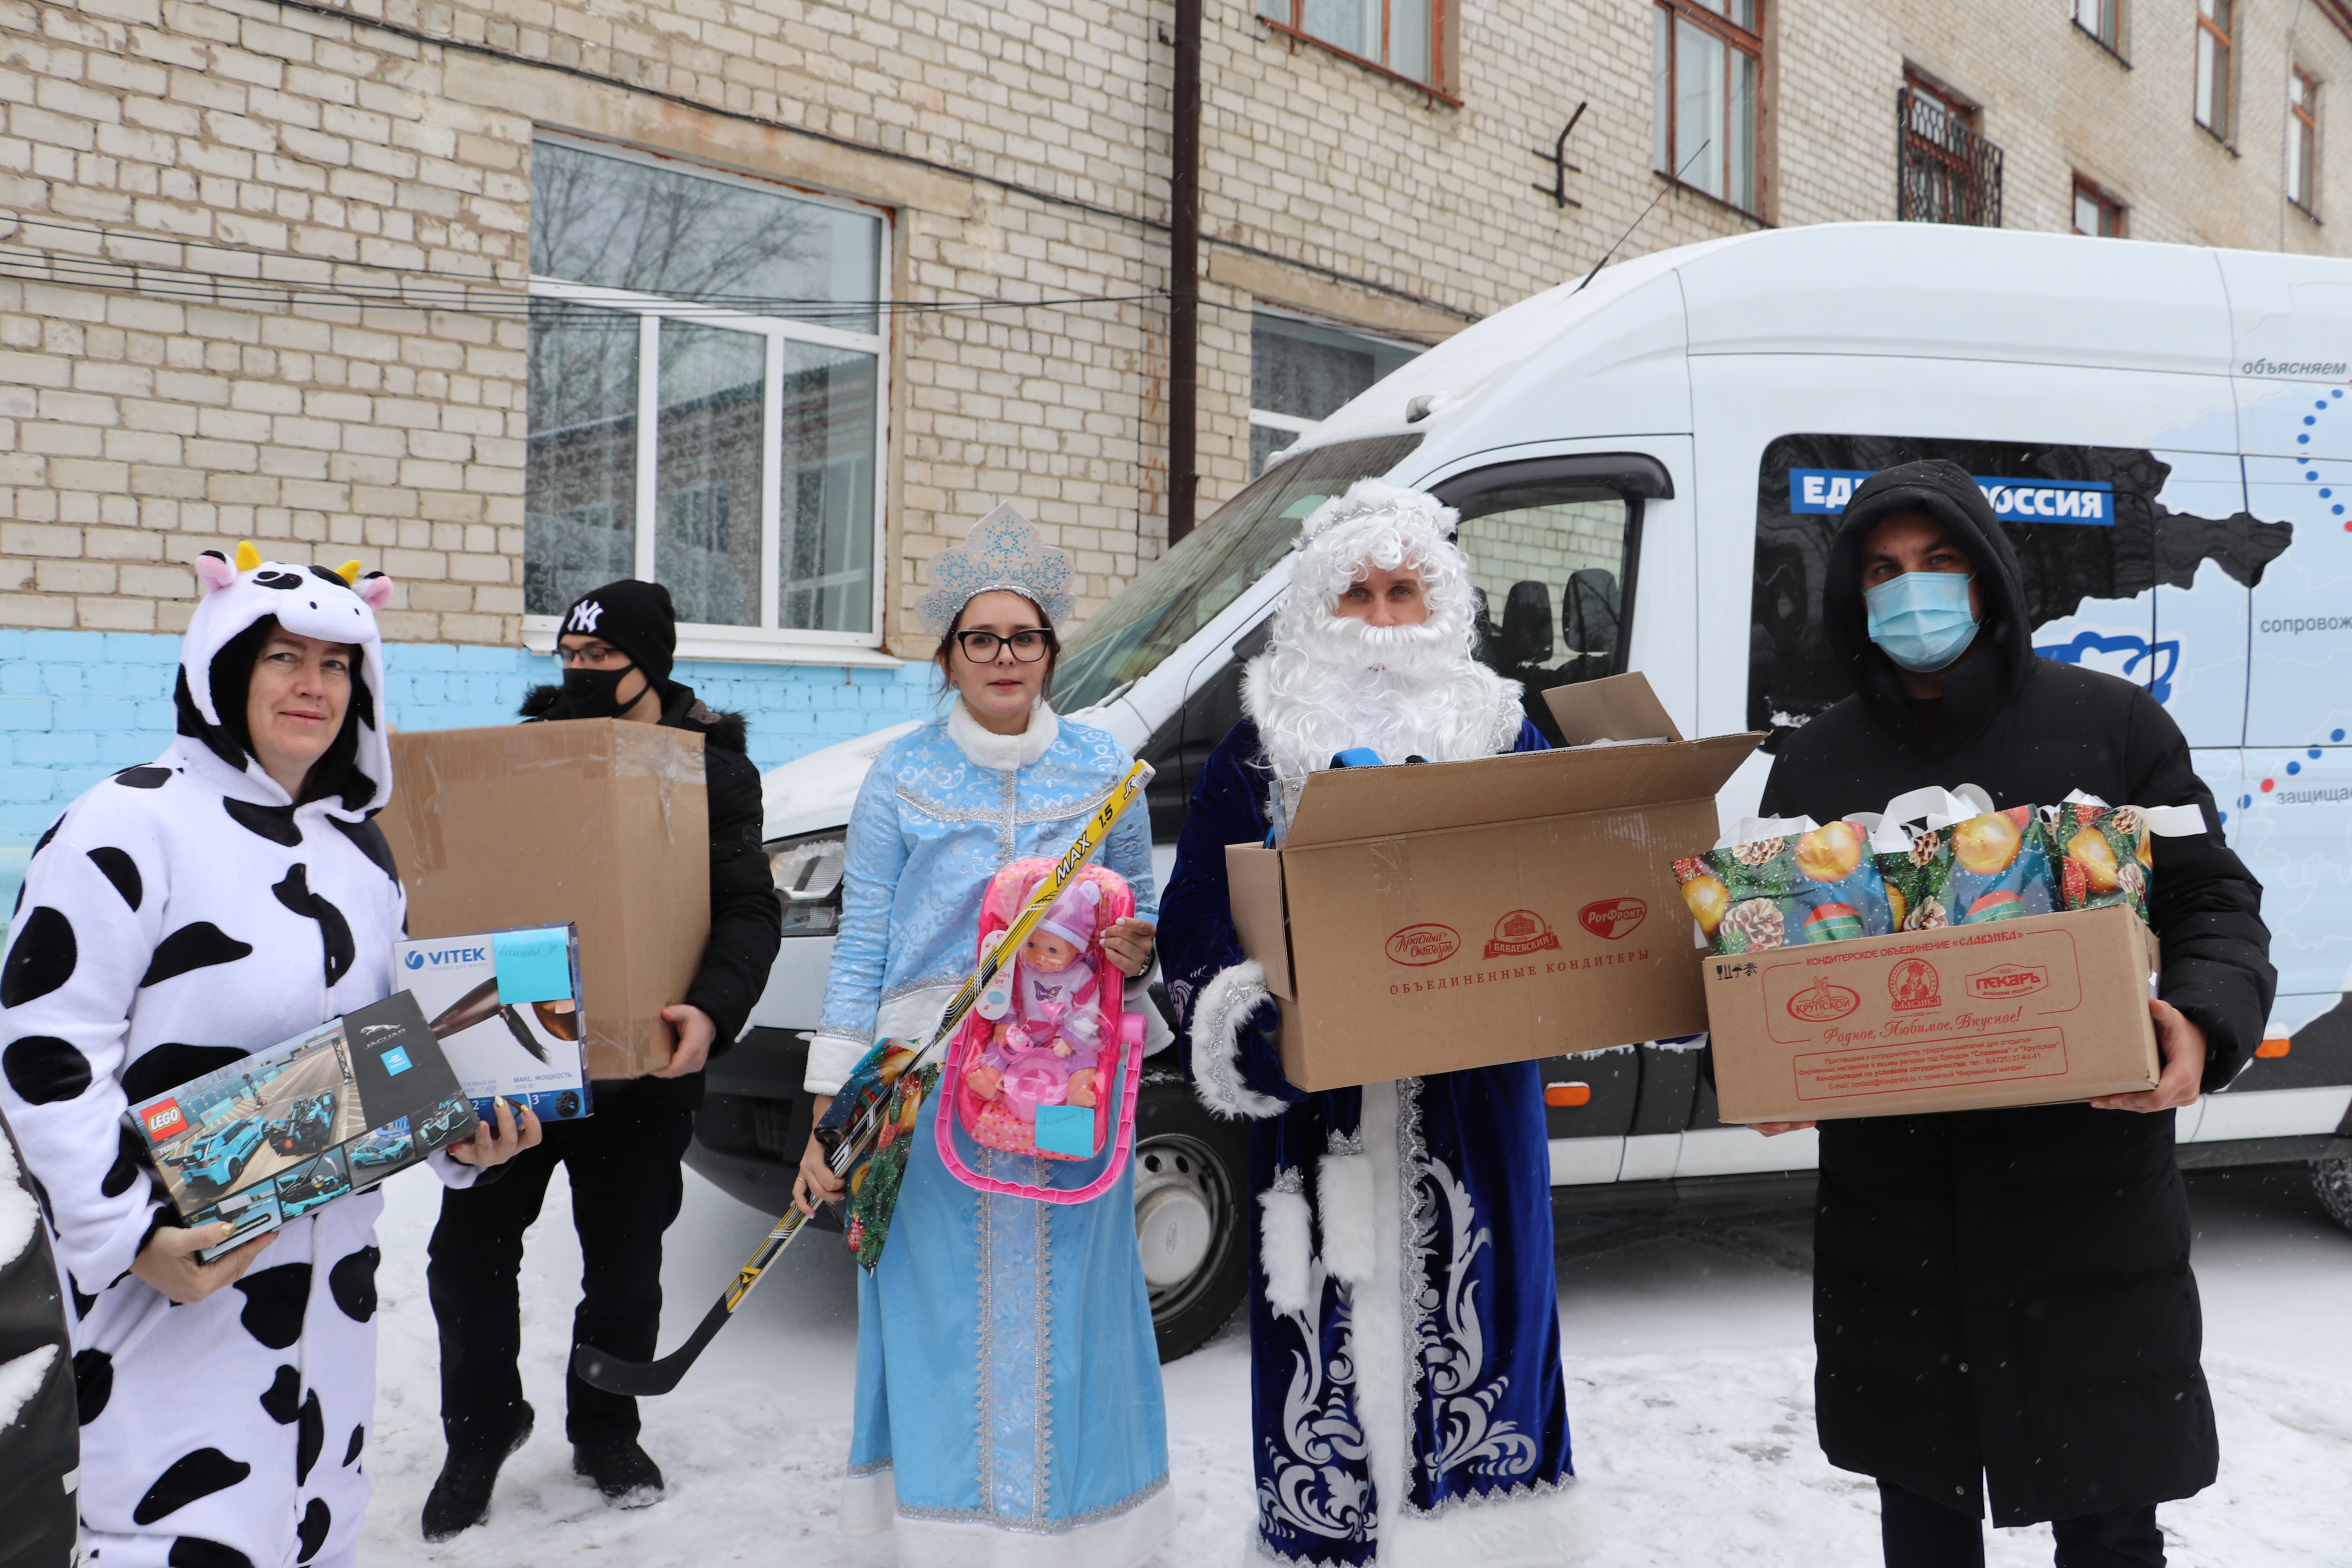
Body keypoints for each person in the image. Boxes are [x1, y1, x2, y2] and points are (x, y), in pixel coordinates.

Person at [1754, 459, 2276, 1567]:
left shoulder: (2112, 724)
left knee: (2109, 1510)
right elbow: (1765, 954)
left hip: (2085, 1193)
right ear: (1854, 594)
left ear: (1991, 577)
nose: (1913, 593)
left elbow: (2212, 899)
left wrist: (2200, 1019)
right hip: (1895, 1208)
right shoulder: (1818, 758)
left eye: (1941, 564)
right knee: (1924, 1511)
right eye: (1885, 571)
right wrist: (1755, 1061)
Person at [0, 546, 538, 1568]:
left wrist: (460, 1137)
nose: (313, 686)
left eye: (338, 665)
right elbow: (41, 1052)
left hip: (329, 1302)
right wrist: (126, 1237)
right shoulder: (127, 822)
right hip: (169, 1299)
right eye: (284, 657)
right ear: (223, 666)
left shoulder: (361, 858)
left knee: (309, 1531)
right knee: (176, 1543)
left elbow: (383, 1055)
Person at [1156, 479, 1584, 1567]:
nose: (1385, 621)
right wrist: (1249, 1023)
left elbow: (1567, 885)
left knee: (1489, 1334)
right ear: (1315, 609)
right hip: (1320, 1125)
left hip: (1473, 1113)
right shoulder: (1254, 755)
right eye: (1359, 594)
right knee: (1318, 1361)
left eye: (1406, 592)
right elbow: (1194, 919)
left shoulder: (1502, 728)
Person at [791, 505, 1174, 1568]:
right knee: (937, 1308)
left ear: (1053, 651)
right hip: (925, 1084)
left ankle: (1072, 1536)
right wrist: (837, 1095)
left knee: (1071, 1302)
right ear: (949, 656)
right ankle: (950, 1537)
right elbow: (863, 936)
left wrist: (1137, 955)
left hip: (1064, 1082)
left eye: (1026, 637)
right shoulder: (900, 776)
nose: (1005, 657)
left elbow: (1139, 915)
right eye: (982, 639)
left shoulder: (1107, 771)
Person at [421, 578, 782, 1535]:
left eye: (601, 661)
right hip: (523, 1060)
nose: (581, 677)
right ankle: (481, 1429)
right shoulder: (527, 756)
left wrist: (710, 1009)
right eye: (569, 660)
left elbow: (748, 908)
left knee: (625, 1262)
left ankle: (605, 1421)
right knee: (467, 1255)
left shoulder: (712, 772)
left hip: (647, 1065)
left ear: (650, 664)